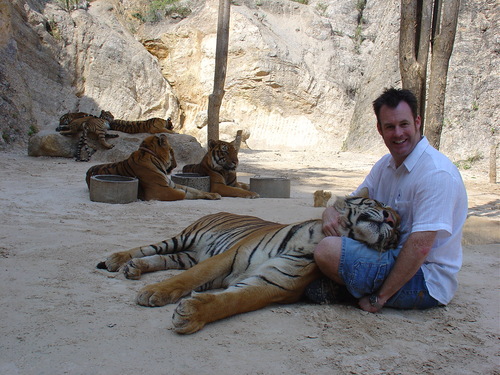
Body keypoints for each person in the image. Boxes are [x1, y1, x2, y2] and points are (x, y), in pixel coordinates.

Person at [306, 88, 468, 312]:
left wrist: (379, 299)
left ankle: (351, 291)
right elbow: (351, 202)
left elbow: (420, 247)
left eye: (404, 124)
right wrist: (329, 213)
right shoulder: (385, 165)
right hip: (388, 256)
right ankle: (348, 287)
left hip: (425, 278)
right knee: (323, 232)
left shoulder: (436, 173)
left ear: (417, 122)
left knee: (327, 251)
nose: (398, 133)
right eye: (390, 127)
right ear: (379, 129)